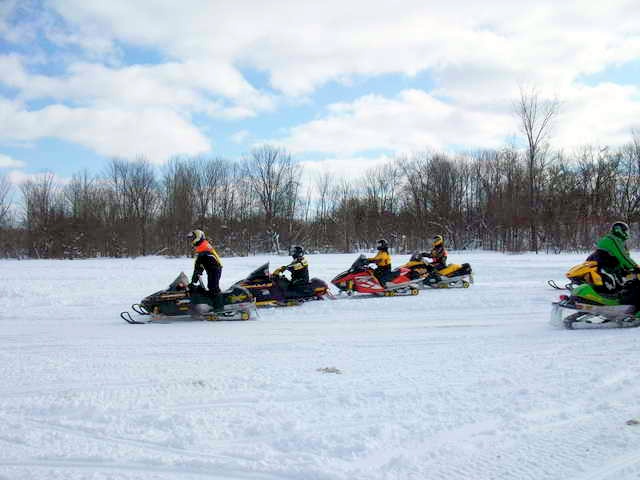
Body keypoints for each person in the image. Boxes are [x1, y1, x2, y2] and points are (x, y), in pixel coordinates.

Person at [586, 221, 639, 293]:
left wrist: (629, 268)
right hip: (604, 266)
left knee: (627, 276)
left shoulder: (617, 240)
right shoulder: (613, 239)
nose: (626, 233)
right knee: (619, 284)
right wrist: (635, 267)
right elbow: (623, 256)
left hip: (607, 265)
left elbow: (621, 258)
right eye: (625, 231)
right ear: (619, 230)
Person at [187, 229, 223, 307]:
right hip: (212, 268)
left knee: (213, 288)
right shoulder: (202, 245)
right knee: (211, 287)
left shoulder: (203, 247)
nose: (191, 240)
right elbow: (199, 266)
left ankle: (220, 307)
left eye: (193, 238)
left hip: (214, 268)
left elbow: (198, 266)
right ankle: (214, 304)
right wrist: (194, 280)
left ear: (198, 237)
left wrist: (193, 281)